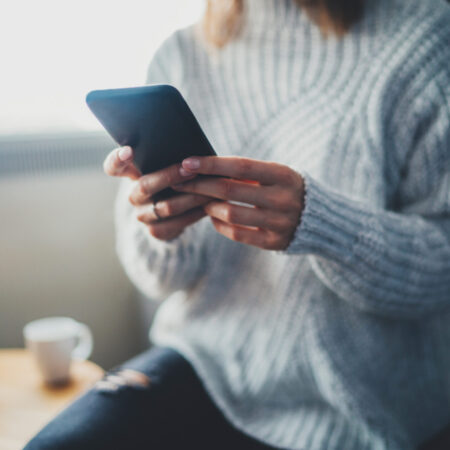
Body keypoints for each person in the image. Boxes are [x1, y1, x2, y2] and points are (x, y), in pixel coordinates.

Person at [25, 0, 450, 449]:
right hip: (208, 362)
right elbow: (157, 278)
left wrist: (325, 225)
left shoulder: (423, 41)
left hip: (355, 401)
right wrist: (163, 229)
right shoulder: (182, 53)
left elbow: (442, 266)